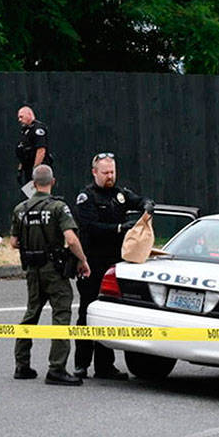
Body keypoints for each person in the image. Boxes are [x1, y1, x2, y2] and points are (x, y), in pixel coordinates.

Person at [72, 152, 153, 379]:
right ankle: (81, 364)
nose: (110, 176)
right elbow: (89, 227)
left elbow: (139, 200)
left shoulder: (119, 194)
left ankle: (105, 366)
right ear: (94, 172)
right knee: (87, 313)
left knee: (108, 313)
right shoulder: (86, 197)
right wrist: (119, 228)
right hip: (92, 263)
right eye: (105, 172)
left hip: (114, 264)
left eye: (112, 172)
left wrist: (147, 205)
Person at [10, 164, 90, 385]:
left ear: (33, 184)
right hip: (53, 270)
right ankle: (57, 368)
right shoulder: (57, 207)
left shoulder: (20, 209)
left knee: (31, 313)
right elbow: (71, 239)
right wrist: (82, 261)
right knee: (61, 315)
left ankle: (21, 364)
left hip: (32, 269)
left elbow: (14, 242)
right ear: (52, 182)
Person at [15, 105, 54, 189]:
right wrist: (20, 169)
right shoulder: (25, 131)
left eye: (21, 117)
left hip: (38, 170)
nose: (19, 120)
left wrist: (35, 170)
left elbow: (41, 150)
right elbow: (23, 151)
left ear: (29, 114)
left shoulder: (37, 129)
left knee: (39, 195)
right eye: (19, 117)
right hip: (27, 169)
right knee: (30, 196)